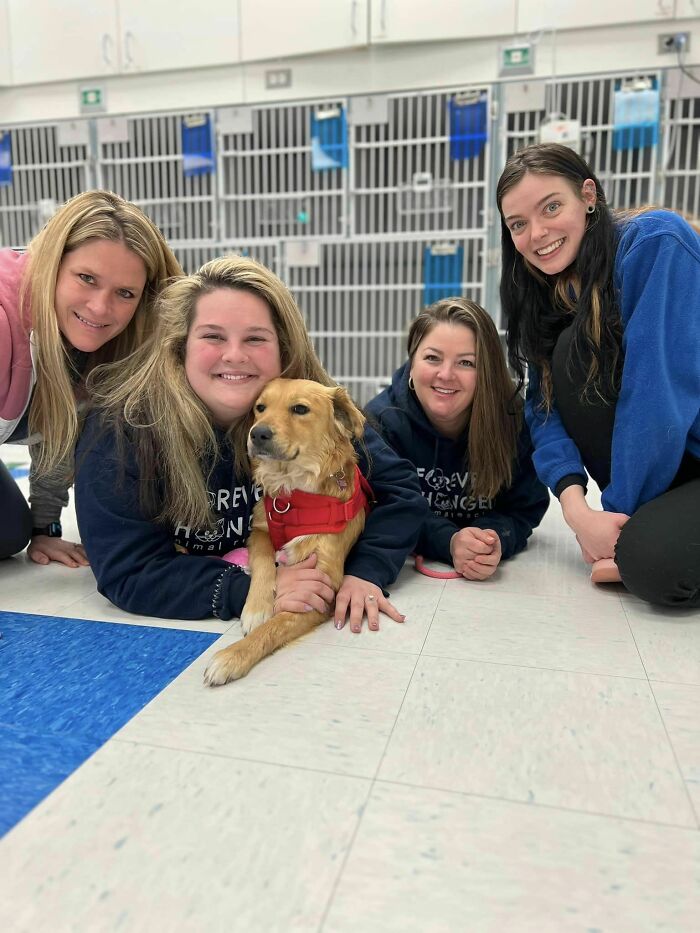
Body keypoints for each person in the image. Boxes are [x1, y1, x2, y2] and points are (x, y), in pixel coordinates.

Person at [74, 255, 425, 632]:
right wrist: (247, 589)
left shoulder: (313, 414)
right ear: (180, 347)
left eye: (255, 338)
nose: (235, 355)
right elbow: (128, 572)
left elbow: (402, 492)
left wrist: (366, 571)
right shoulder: (120, 427)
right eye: (212, 336)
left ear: (284, 351)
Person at [497, 142, 700, 607]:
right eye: (518, 224)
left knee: (654, 567)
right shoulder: (543, 294)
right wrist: (577, 513)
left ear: (588, 196)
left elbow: (656, 394)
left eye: (551, 207)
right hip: (670, 476)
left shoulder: (654, 242)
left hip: (684, 447)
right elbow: (542, 411)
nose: (538, 234)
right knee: (568, 352)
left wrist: (618, 518)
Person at [0, 189, 182, 566]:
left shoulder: (104, 350)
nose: (100, 307)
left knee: (8, 532)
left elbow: (58, 430)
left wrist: (43, 527)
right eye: (86, 278)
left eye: (125, 293)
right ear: (53, 262)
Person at [365, 298, 549, 580]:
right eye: (432, 358)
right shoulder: (381, 423)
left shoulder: (514, 422)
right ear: (411, 362)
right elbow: (381, 510)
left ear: (486, 372)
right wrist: (448, 541)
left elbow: (525, 506)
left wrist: (493, 538)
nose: (446, 375)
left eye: (466, 362)